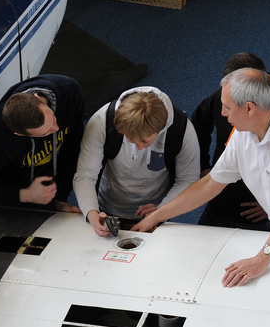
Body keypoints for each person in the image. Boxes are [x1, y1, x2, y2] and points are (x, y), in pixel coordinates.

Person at [132, 68, 270, 287]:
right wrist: (156, 217)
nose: (222, 113)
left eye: (227, 107)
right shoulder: (242, 136)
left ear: (250, 108)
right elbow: (211, 184)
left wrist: (262, 259)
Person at [72, 87, 199, 237]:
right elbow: (85, 175)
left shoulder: (181, 129)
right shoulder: (102, 121)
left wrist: (162, 210)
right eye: (131, 140)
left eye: (145, 142)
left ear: (160, 129)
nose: (139, 148)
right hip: (106, 207)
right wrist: (92, 214)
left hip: (158, 208)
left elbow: (188, 179)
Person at [191, 53, 270, 231]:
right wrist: (203, 166)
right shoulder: (223, 97)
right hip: (217, 203)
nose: (223, 111)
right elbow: (199, 122)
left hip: (257, 216)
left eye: (228, 105)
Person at [0, 74, 83, 212]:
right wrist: (25, 195)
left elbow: (72, 150)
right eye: (46, 133)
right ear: (20, 134)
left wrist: (59, 199)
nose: (56, 128)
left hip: (49, 194)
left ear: (37, 97)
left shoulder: (69, 91)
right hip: (12, 202)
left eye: (53, 119)